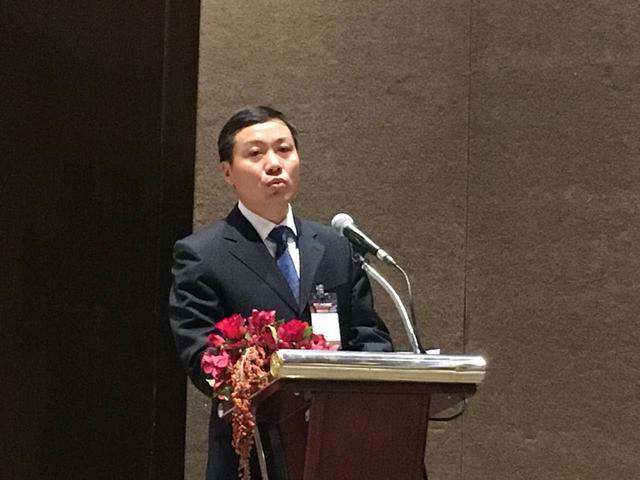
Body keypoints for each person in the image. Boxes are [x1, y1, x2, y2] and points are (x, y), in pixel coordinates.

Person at [169, 106, 393, 480]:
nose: (274, 164)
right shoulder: (203, 254)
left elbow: (371, 338)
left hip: (338, 445)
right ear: (227, 172)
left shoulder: (335, 248)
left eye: (284, 150)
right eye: (255, 154)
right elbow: (201, 358)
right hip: (253, 453)